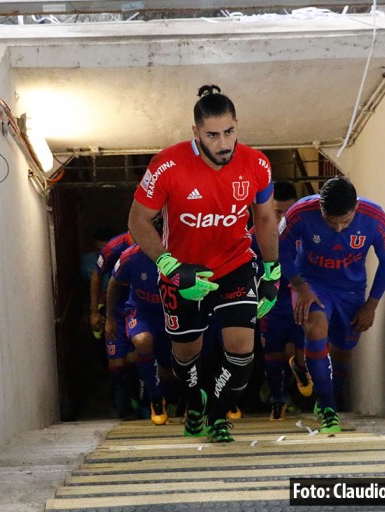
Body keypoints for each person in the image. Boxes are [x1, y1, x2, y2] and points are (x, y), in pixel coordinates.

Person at [128, 84, 280, 443]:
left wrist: (273, 271)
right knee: (186, 355)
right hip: (183, 273)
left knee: (244, 348)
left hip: (235, 265)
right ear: (195, 132)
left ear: (237, 125)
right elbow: (137, 220)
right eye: (212, 135)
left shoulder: (257, 164)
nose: (223, 143)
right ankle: (195, 402)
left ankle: (217, 415)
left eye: (229, 131)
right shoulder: (166, 165)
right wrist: (170, 266)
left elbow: (265, 219)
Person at [279, 176, 385, 433]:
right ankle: (328, 408)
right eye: (330, 222)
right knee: (315, 328)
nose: (337, 229)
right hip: (311, 284)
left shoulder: (374, 217)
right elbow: (281, 250)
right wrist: (300, 287)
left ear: (355, 206)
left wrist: (372, 305)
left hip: (351, 290)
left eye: (345, 222)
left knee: (343, 351)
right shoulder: (299, 213)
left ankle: (332, 397)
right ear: (320, 209)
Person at [107, 220, 174, 425]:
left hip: (169, 314)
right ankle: (154, 399)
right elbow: (113, 284)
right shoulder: (130, 257)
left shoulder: (179, 256)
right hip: (140, 311)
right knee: (142, 341)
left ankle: (168, 398)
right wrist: (109, 318)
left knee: (167, 370)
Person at [257, 180, 310, 420]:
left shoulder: (307, 233)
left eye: (289, 212)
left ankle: (300, 372)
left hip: (301, 301)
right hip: (272, 304)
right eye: (278, 212)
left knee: (305, 353)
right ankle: (277, 400)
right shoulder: (254, 236)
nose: (284, 218)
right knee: (273, 354)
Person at [92, 230, 137, 417]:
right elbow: (97, 275)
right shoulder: (115, 246)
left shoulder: (157, 244)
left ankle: (139, 403)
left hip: (140, 310)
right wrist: (94, 312)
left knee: (137, 359)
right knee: (117, 365)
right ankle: (121, 404)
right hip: (116, 311)